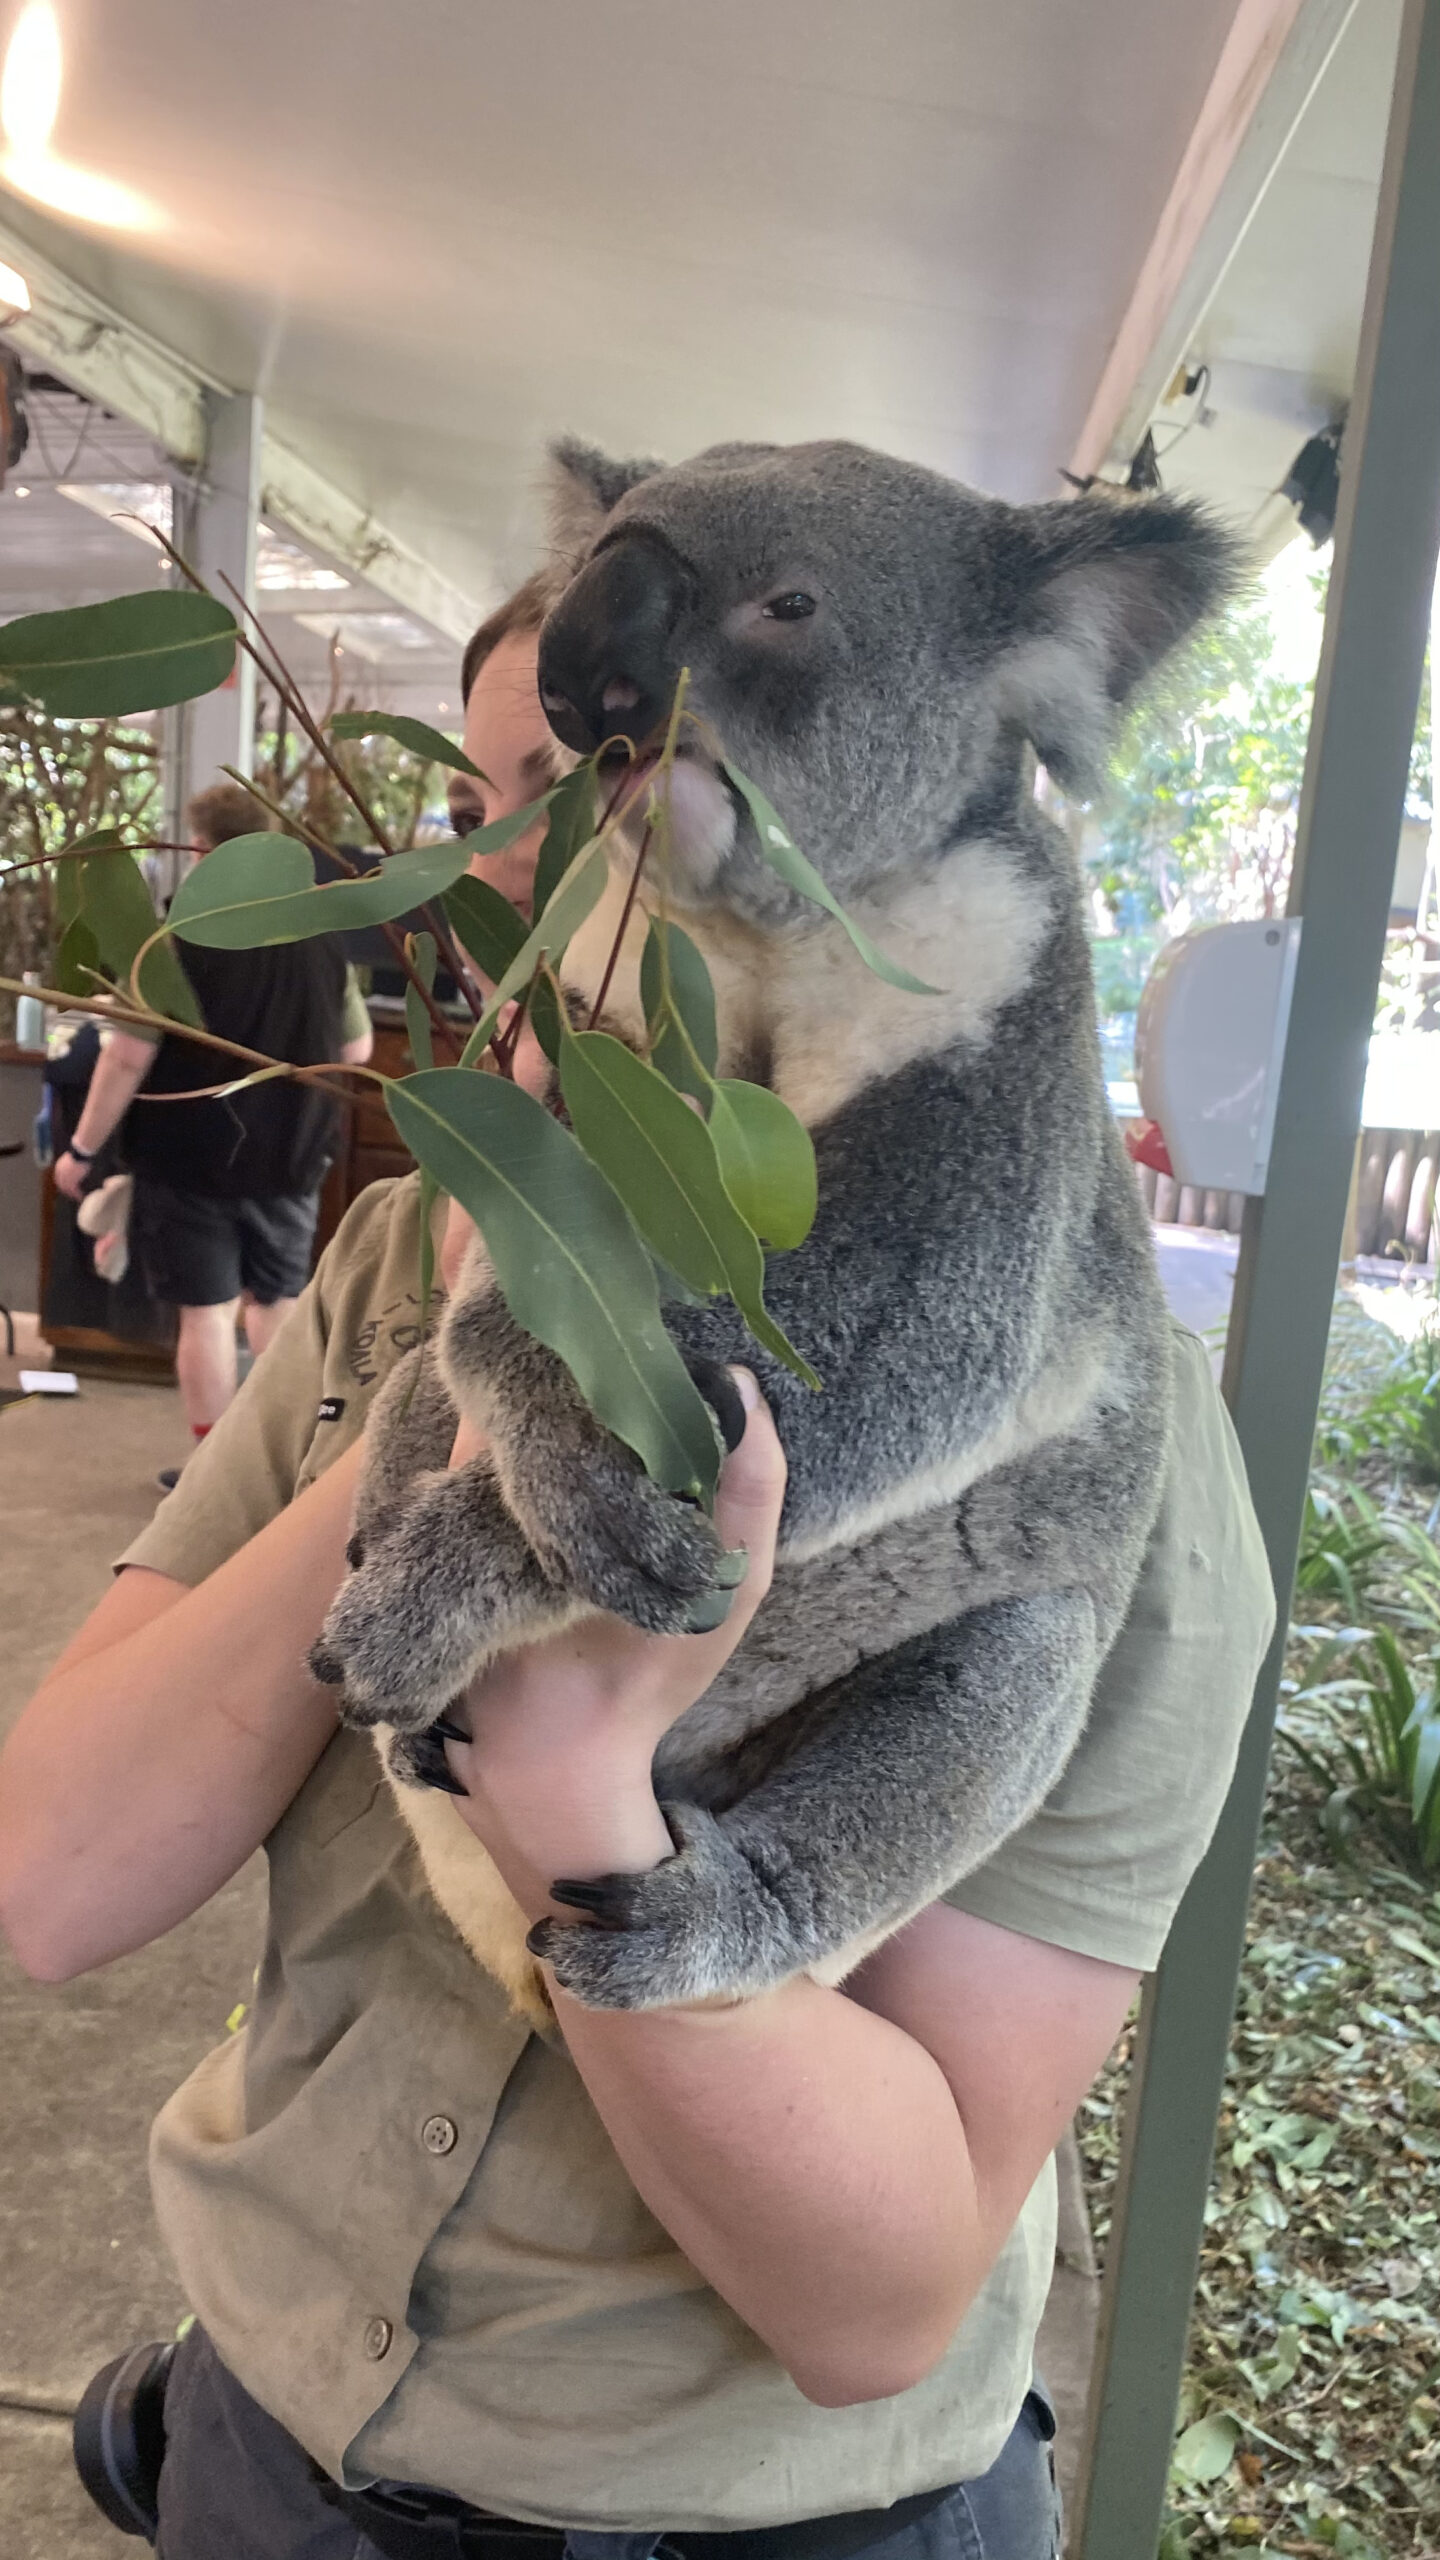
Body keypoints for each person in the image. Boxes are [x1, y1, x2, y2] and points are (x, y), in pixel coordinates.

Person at [0, 581, 1275, 2560]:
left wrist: (580, 1802)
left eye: (616, 805)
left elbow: (876, 2296)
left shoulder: (1103, 1448)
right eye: (506, 811)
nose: (537, 893)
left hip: (760, 2512)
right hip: (278, 2420)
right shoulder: (401, 1263)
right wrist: (486, 1358)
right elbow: (57, 1875)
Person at [52, 782, 374, 1468]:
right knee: (278, 1301)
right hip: (292, 1156)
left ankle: (208, 1473)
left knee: (205, 1312)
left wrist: (81, 1149)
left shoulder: (172, 940)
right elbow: (356, 1051)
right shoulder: (317, 935)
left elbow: (128, 1057)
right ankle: (283, 1463)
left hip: (189, 1159)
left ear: (202, 851)